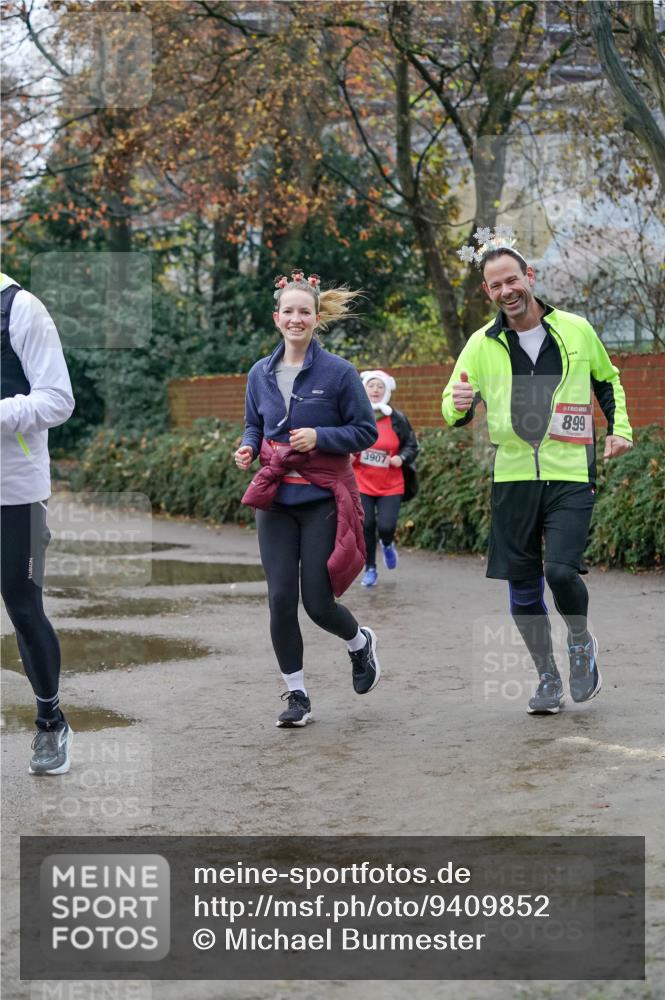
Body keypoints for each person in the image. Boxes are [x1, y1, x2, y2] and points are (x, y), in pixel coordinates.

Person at [442, 229, 633, 715]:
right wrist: (459, 405)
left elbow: (607, 380)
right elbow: (453, 402)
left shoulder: (575, 328)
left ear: (529, 277)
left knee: (561, 571)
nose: (506, 290)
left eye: (512, 279)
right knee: (523, 588)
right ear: (487, 292)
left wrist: (619, 427)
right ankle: (547, 677)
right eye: (494, 285)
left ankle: (580, 641)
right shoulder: (482, 343)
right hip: (512, 477)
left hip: (570, 470)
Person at [234, 270, 381, 728]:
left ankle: (359, 643)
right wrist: (247, 447)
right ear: (277, 317)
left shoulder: (338, 373)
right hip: (275, 501)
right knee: (280, 599)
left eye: (304, 312)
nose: (296, 319)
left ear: (317, 318)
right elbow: (255, 425)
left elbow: (365, 432)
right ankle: (296, 694)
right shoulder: (259, 373)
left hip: (321, 499)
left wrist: (320, 435)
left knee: (317, 603)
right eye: (288, 312)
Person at [0, 272, 75, 771]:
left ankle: (51, 723)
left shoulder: (21, 308)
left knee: (23, 609)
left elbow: (58, 399)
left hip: (13, 490)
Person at [353, 370, 419, 587]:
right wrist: (350, 452)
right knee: (367, 524)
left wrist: (402, 458)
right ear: (364, 389)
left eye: (380, 386)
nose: (375, 390)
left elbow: (412, 444)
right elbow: (344, 440)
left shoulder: (397, 418)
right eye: (371, 386)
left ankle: (388, 543)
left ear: (387, 391)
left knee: (386, 526)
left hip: (391, 483)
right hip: (362, 481)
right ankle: (370, 568)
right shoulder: (356, 416)